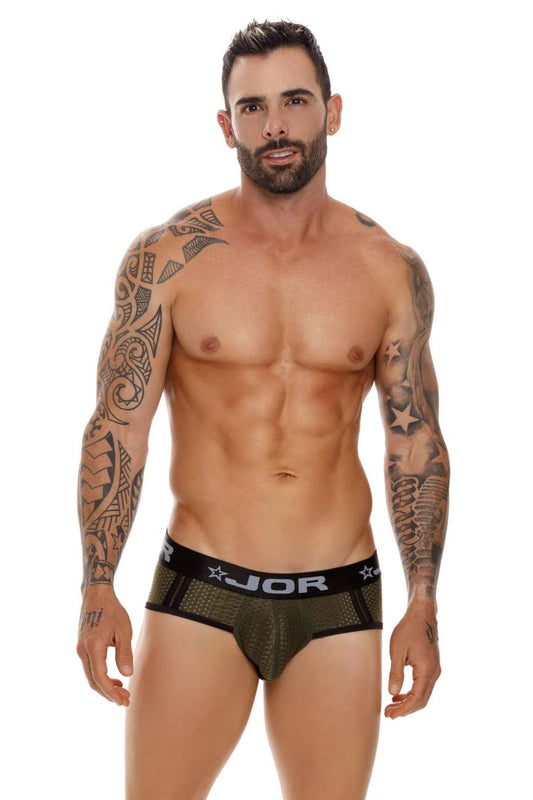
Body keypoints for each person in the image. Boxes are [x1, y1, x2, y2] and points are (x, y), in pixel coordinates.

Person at [76, 18, 449, 800]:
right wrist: (96, 585)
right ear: (226, 126)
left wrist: (423, 602)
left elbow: (413, 443)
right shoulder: (167, 258)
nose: (274, 124)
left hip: (338, 597)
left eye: (293, 101)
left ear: (331, 112)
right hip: (201, 589)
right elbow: (118, 428)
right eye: (252, 108)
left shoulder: (388, 270)